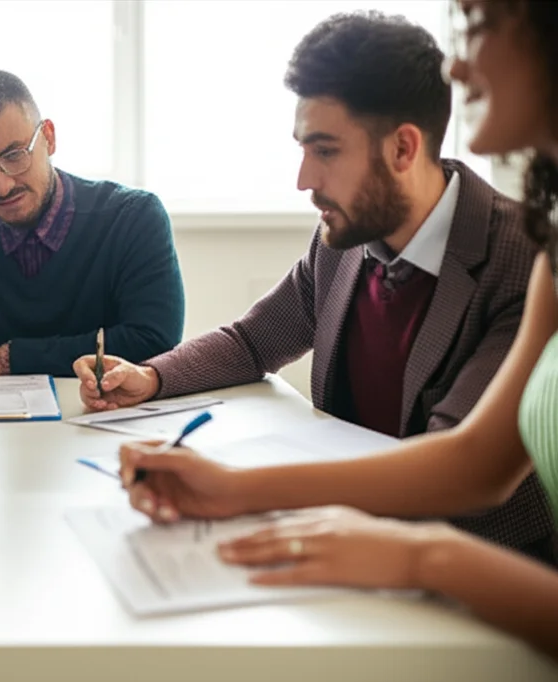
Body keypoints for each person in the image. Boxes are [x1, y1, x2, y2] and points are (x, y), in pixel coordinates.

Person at [116, 0, 558, 659]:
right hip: (368, 557)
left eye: (324, 151)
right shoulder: (345, 240)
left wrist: (244, 490)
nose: (304, 180)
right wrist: (152, 379)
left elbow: (462, 468)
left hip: (479, 596)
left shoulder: (518, 254)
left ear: (403, 148)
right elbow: (255, 339)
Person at [0, 69, 185, 420]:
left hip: (107, 423)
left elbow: (154, 342)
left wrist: (8, 358)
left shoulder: (133, 217)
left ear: (48, 137)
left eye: (14, 156)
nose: (0, 186)